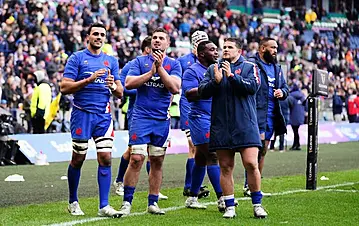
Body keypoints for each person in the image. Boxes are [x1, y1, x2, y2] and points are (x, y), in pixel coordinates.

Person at [198, 37, 267, 219]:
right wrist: (216, 82)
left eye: (230, 47)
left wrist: (232, 77)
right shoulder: (213, 69)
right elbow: (202, 91)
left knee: (251, 164)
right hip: (222, 125)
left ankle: (257, 204)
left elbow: (253, 87)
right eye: (224, 47)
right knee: (226, 167)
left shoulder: (250, 67)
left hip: (245, 124)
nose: (225, 50)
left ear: (239, 51)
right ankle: (229, 206)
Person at [60, 23, 124, 217]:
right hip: (82, 114)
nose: (98, 37)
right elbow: (64, 87)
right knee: (78, 159)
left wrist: (113, 86)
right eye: (95, 33)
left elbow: (121, 93)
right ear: (87, 36)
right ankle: (73, 201)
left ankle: (104, 205)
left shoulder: (111, 61)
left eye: (102, 34)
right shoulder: (77, 58)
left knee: (105, 158)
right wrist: (89, 79)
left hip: (103, 116)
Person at [118, 28, 181, 216]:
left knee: (157, 161)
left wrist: (159, 68)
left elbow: (174, 88)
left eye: (161, 38)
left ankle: (152, 202)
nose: (157, 41)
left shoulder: (174, 64)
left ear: (167, 43)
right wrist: (150, 72)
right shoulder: (139, 62)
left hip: (161, 119)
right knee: (136, 158)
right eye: (154, 38)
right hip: (141, 117)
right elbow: (128, 84)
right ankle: (127, 202)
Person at [113, 36, 168, 200]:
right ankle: (119, 181)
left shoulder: (168, 64)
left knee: (153, 152)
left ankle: (154, 190)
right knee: (133, 151)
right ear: (147, 49)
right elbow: (122, 88)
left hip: (157, 114)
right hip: (136, 111)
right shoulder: (134, 64)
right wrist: (144, 88)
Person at [182, 40, 224, 211]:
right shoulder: (192, 71)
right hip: (200, 118)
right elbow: (189, 94)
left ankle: (192, 197)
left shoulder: (219, 69)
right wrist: (212, 85)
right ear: (201, 54)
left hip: (217, 118)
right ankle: (223, 197)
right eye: (211, 50)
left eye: (216, 49)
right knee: (212, 155)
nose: (216, 52)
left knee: (200, 157)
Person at [244, 37, 289, 196]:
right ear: (262, 48)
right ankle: (251, 186)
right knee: (255, 150)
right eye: (273, 47)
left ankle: (254, 186)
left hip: (271, 115)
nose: (276, 51)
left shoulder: (277, 68)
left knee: (263, 150)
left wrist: (281, 92)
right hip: (255, 113)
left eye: (276, 48)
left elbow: (285, 88)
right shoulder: (251, 64)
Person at [177, 30, 210, 198]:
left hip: (205, 111)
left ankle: (193, 185)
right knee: (193, 146)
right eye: (198, 41)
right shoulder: (183, 61)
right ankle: (190, 185)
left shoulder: (208, 61)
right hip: (188, 107)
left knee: (200, 149)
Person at [288, 84, 306, 150]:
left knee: (295, 131)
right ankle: (296, 144)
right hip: (300, 116)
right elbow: (305, 105)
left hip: (293, 116)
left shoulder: (291, 96)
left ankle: (296, 145)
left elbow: (289, 105)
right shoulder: (302, 96)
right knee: (296, 131)